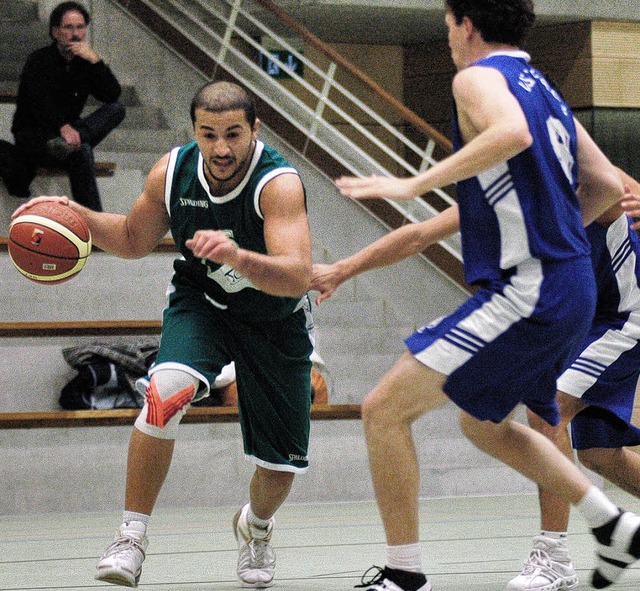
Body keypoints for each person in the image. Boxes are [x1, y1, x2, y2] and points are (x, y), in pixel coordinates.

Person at [331, 1, 640, 590]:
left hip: (532, 285)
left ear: (466, 24)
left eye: (448, 24)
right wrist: (557, 232)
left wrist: (413, 181)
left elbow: (509, 133)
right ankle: (611, 525)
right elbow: (604, 184)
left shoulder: (477, 77)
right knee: (482, 422)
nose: (448, 36)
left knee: (384, 409)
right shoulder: (544, 88)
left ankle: (403, 573)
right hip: (569, 283)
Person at [13, 80, 314, 588]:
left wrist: (238, 255)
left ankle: (256, 528)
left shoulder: (278, 183)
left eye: (233, 134)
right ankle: (131, 537)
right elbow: (133, 240)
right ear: (194, 130)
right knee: (166, 391)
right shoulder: (172, 172)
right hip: (204, 304)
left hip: (275, 321)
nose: (220, 148)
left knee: (279, 467)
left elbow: (296, 276)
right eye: (208, 134)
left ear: (255, 130)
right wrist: (74, 214)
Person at [312, 183, 640, 591]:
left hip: (620, 315)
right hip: (564, 308)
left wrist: (412, 183)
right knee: (599, 455)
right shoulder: (497, 184)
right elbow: (418, 234)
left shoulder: (560, 176)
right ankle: (618, 527)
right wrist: (344, 268)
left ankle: (555, 554)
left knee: (546, 407)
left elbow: (611, 182)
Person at [10, 1, 125, 210]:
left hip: (71, 136)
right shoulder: (39, 60)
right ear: (55, 32)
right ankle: (95, 224)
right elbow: (39, 103)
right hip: (37, 137)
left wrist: (97, 62)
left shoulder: (84, 62)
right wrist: (62, 127)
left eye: (80, 27)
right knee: (83, 151)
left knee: (117, 110)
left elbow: (112, 95)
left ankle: (67, 144)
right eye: (69, 27)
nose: (76, 34)